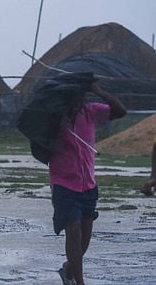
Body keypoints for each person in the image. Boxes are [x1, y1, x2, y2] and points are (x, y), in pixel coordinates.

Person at [50, 79, 127, 285]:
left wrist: (100, 91)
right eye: (73, 97)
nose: (77, 101)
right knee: (73, 231)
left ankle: (68, 269)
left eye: (81, 96)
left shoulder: (91, 112)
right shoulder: (55, 118)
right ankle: (79, 282)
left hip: (88, 184)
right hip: (63, 183)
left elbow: (120, 111)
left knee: (84, 239)